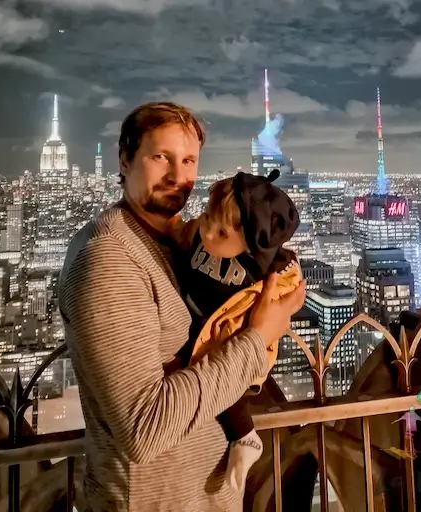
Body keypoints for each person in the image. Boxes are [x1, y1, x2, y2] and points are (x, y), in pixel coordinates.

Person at [58, 102, 306, 512]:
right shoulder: (109, 261)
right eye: (160, 157)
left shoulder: (176, 242)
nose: (177, 176)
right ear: (125, 159)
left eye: (188, 160)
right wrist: (260, 334)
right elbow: (145, 428)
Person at [172, 169, 302, 493]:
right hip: (193, 317)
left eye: (222, 233)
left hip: (223, 331)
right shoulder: (199, 238)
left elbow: (281, 289)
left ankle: (243, 435)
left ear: (249, 244)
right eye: (206, 219)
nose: (209, 233)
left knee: (224, 378)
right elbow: (184, 239)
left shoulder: (259, 270)